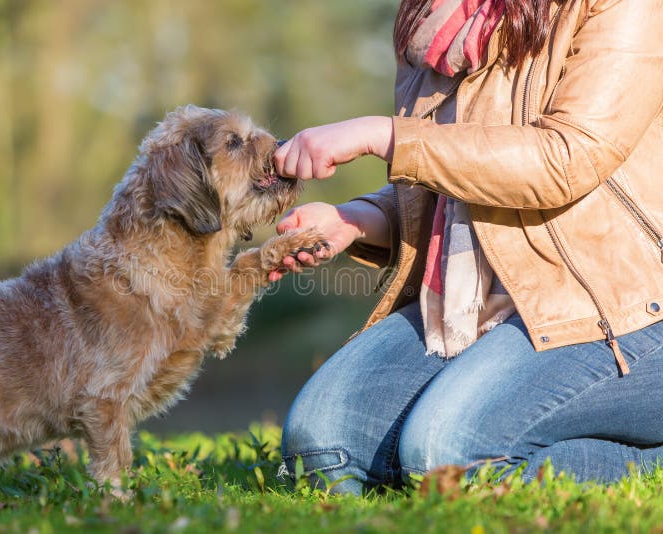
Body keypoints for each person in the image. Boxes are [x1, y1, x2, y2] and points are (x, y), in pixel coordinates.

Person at [272, 0, 663, 495]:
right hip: (479, 305)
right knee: (322, 448)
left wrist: (386, 136)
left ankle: (646, 461)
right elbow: (457, 191)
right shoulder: (437, 19)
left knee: (444, 456)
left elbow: (567, 158)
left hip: (623, 303)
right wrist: (356, 219)